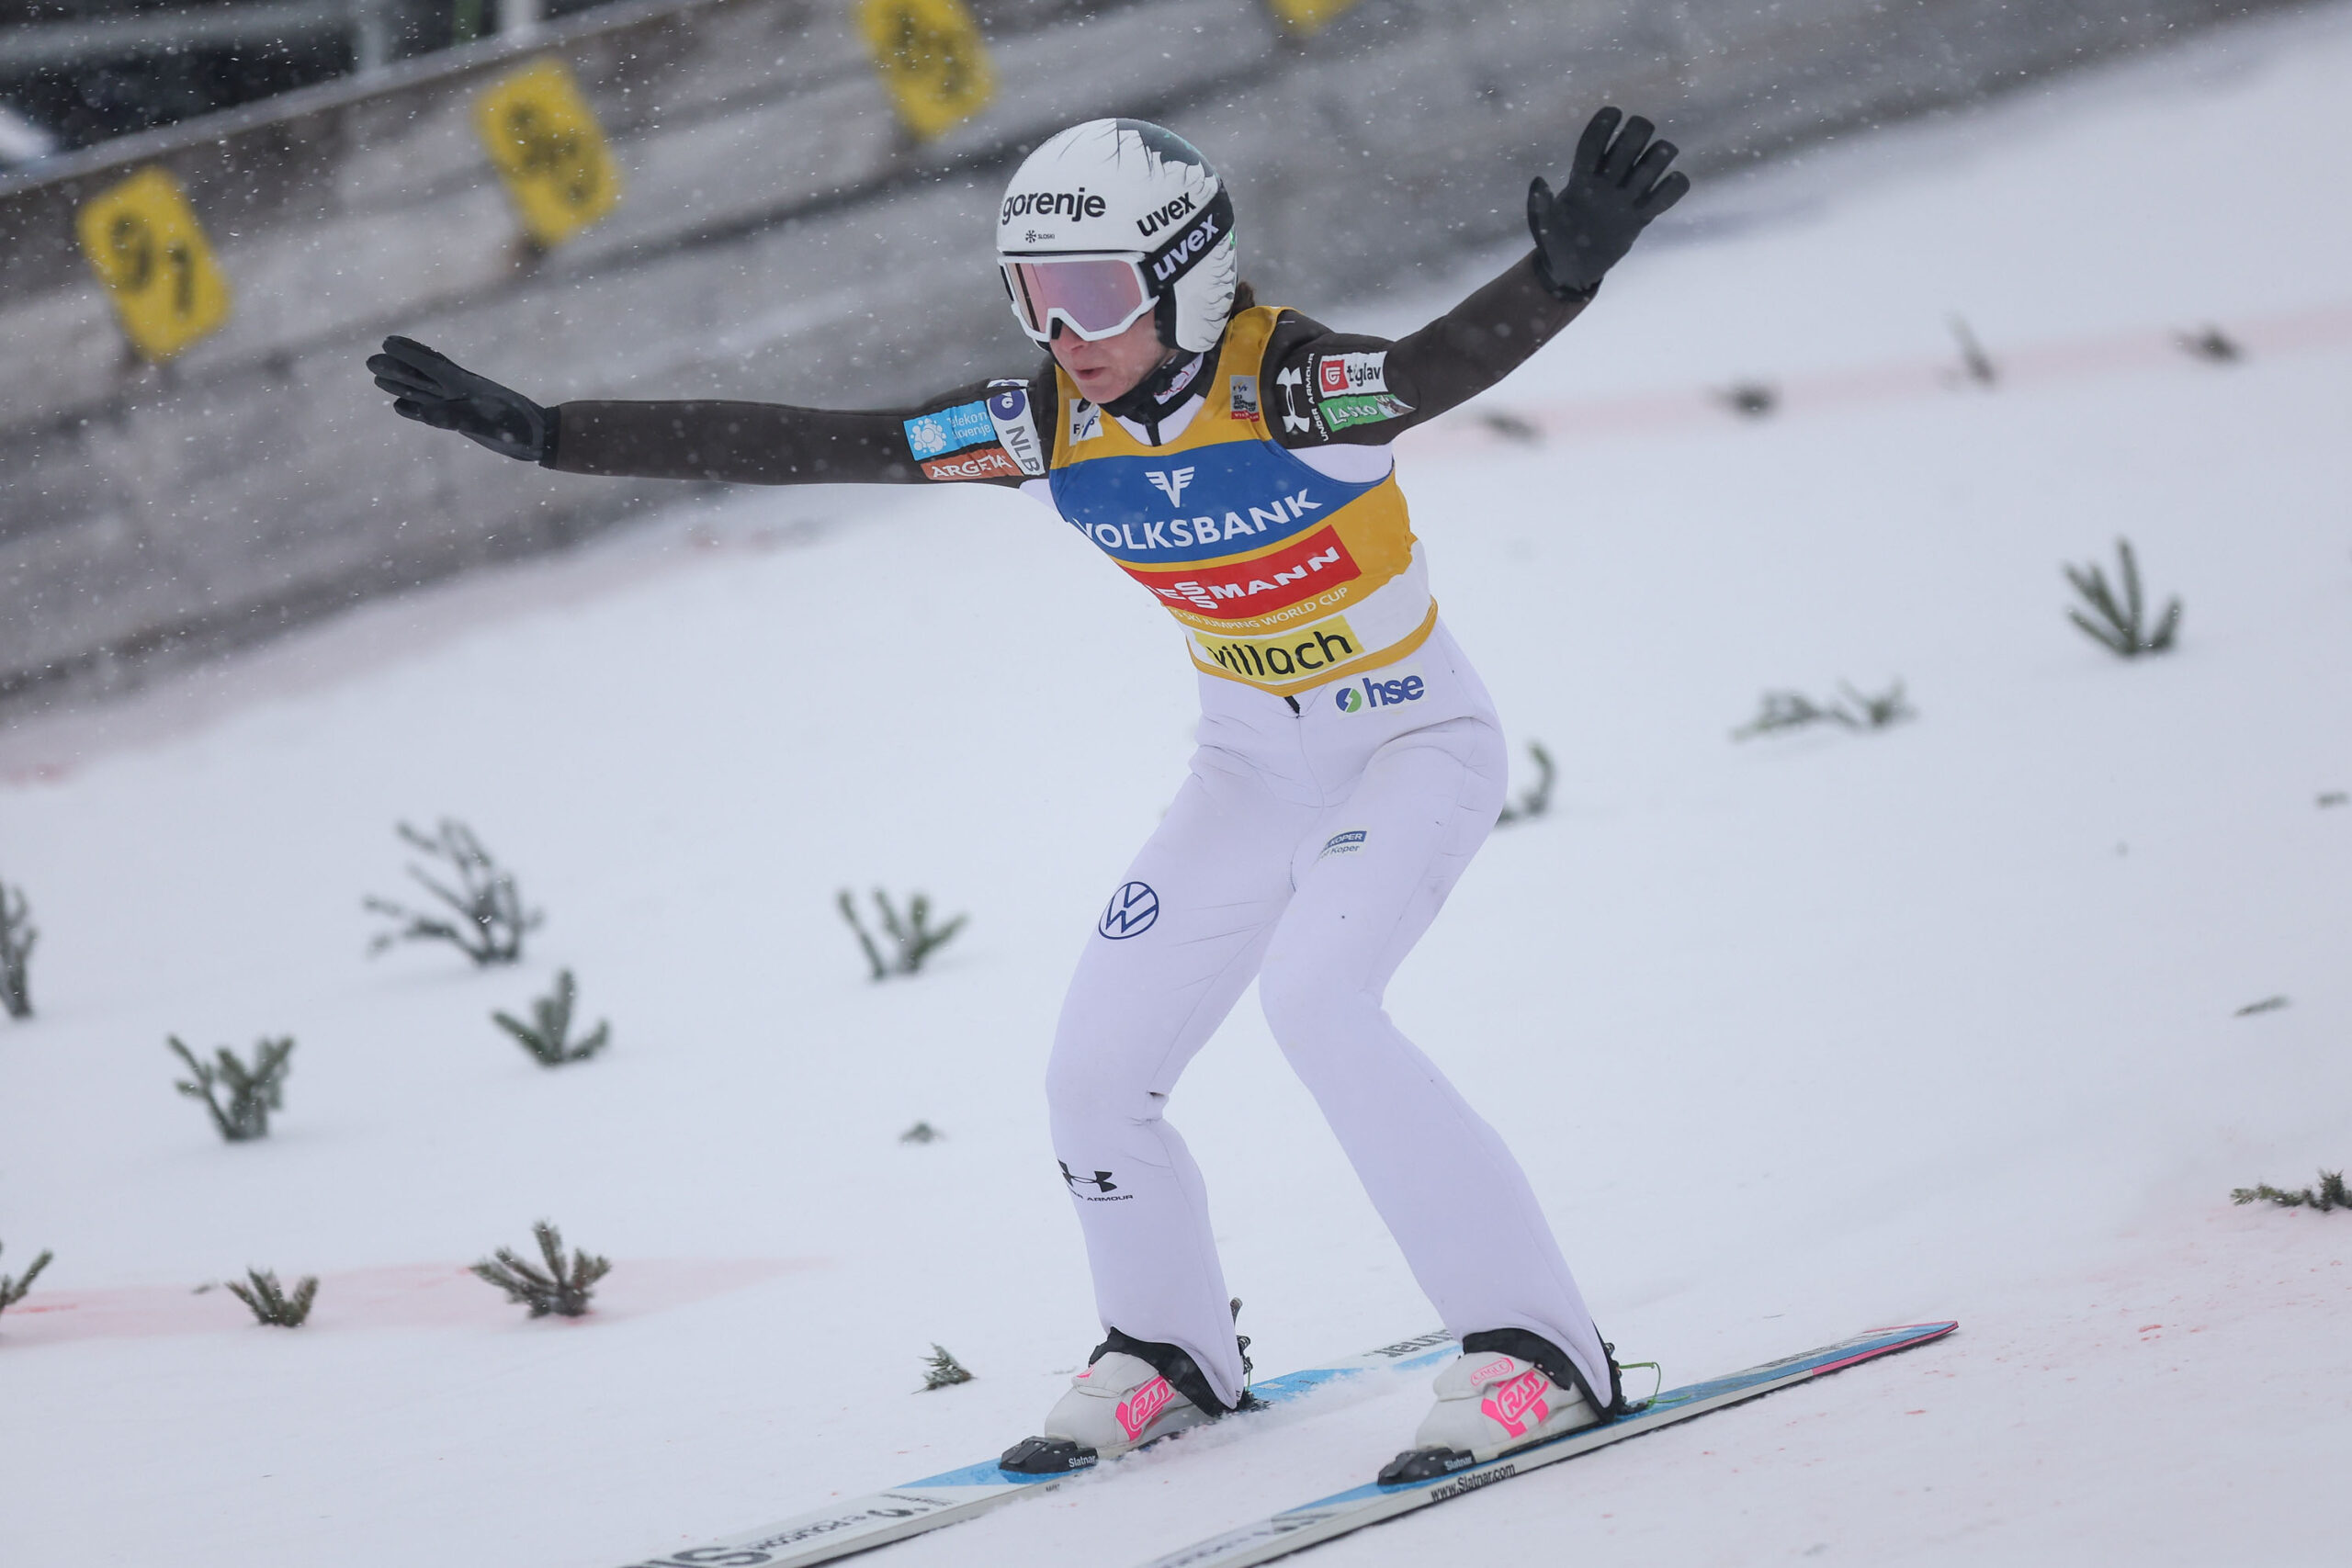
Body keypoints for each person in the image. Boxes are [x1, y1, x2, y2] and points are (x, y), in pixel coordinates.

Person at [368, 107, 1688, 1483]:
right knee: (1094, 1077)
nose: (1064, 334)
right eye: (1034, 298)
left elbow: (1427, 372)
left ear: (1188, 277)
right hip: (1249, 770)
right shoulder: (1045, 428)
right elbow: (817, 441)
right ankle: (1168, 1349)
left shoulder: (1295, 390)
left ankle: (1537, 1351)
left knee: (1320, 1003)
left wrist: (1559, 279)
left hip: (1412, 747)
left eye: (1094, 296)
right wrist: (554, 434)